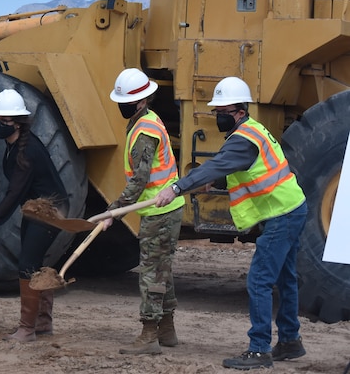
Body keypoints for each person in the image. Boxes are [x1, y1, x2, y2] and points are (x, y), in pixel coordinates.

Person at [152, 76, 307, 370]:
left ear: (238, 111)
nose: (217, 116)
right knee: (286, 279)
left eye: (221, 111)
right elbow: (238, 169)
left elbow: (215, 165)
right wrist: (217, 182)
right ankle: (290, 341)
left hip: (282, 214)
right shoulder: (251, 131)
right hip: (291, 208)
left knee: (260, 280)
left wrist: (174, 189)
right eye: (216, 111)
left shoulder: (241, 141)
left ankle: (260, 350)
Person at [104, 68, 185, 355]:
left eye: (124, 101)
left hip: (159, 209)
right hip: (163, 207)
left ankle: (149, 333)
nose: (121, 105)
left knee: (151, 272)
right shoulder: (147, 120)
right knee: (162, 269)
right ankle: (167, 330)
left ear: (140, 102)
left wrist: (114, 212)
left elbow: (139, 181)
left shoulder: (144, 131)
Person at [0, 89, 68, 343]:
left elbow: (14, 194)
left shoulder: (27, 151)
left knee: (27, 264)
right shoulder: (14, 145)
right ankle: (42, 324)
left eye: (4, 122)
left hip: (51, 210)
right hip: (36, 207)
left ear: (17, 123)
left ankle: (27, 328)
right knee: (34, 262)